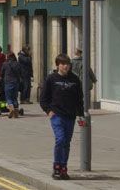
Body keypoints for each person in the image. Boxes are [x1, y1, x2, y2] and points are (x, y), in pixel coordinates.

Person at [39, 53, 85, 181]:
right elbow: (43, 98)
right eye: (63, 64)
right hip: (57, 115)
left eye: (67, 64)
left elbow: (79, 99)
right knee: (60, 139)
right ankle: (57, 167)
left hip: (70, 116)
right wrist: (48, 111)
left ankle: (64, 168)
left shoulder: (75, 80)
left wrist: (81, 115)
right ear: (58, 65)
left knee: (66, 143)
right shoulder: (51, 79)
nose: (66, 66)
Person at [1, 52, 22, 118]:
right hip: (16, 82)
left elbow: (1, 73)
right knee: (15, 97)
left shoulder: (5, 64)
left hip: (8, 82)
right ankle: (15, 114)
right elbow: (20, 73)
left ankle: (11, 109)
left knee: (9, 97)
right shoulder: (18, 64)